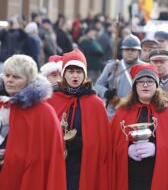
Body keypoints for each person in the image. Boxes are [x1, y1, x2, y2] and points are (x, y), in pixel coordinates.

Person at [111, 63, 168, 190]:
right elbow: (111, 146)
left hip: (158, 178)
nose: (145, 85)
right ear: (135, 86)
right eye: (141, 82)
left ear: (157, 86)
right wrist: (126, 150)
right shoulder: (122, 112)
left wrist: (157, 149)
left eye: (150, 81)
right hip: (130, 179)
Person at [47, 49, 111, 189]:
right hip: (56, 162)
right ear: (64, 74)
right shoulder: (52, 99)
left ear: (84, 74)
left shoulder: (95, 103)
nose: (75, 76)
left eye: (79, 71)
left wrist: (82, 142)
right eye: (71, 71)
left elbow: (103, 143)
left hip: (83, 164)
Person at [0, 54, 66, 189]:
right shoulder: (5, 104)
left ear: (28, 80)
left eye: (16, 77)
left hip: (29, 180)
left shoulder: (44, 112)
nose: (9, 80)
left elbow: (44, 157)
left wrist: (11, 155)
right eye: (7, 75)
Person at [95, 34, 144, 119]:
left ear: (139, 52)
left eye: (133, 50)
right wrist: (106, 93)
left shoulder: (145, 68)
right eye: (127, 49)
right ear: (122, 51)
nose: (129, 52)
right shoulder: (112, 66)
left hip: (137, 111)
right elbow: (98, 85)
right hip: (115, 111)